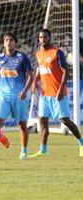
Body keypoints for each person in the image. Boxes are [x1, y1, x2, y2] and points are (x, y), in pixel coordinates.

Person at [29, 28, 83, 158]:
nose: (43, 39)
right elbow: (40, 70)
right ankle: (43, 150)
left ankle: (81, 142)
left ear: (49, 38)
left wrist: (60, 89)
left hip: (58, 93)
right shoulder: (38, 53)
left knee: (64, 120)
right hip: (44, 94)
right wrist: (35, 81)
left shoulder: (57, 52)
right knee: (42, 120)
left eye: (45, 37)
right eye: (41, 37)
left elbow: (66, 71)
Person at [0, 32, 33, 160]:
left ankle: (23, 153)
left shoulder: (22, 58)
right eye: (6, 40)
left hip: (19, 97)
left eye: (11, 40)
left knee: (22, 124)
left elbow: (30, 77)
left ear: (15, 42)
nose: (8, 42)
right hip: (3, 97)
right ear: (3, 42)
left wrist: (24, 91)